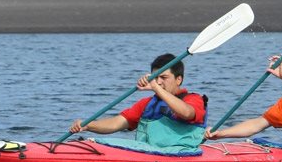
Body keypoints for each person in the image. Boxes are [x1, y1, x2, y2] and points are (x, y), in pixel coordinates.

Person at [69, 53, 207, 154]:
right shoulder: (147, 104)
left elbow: (187, 113)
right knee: (104, 141)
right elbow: (117, 123)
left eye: (163, 78)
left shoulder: (193, 99)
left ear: (178, 79)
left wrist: (156, 88)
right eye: (155, 77)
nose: (158, 82)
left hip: (181, 154)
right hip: (147, 154)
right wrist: (88, 125)